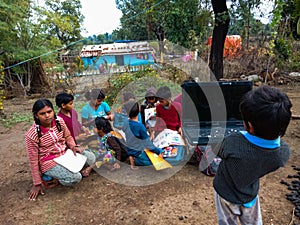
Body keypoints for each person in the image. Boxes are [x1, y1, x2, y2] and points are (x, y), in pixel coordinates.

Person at [213, 85, 292, 225]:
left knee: (226, 221)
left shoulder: (233, 142)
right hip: (250, 195)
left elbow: (218, 150)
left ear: (249, 125)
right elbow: (273, 144)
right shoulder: (282, 154)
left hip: (225, 192)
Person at [25, 99, 96, 201]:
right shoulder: (32, 134)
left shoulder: (59, 121)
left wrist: (73, 147)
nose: (47, 116)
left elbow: (68, 136)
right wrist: (37, 183)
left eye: (49, 112)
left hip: (65, 154)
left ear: (53, 111)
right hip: (49, 161)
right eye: (42, 113)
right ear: (36, 115)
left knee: (91, 158)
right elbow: (33, 160)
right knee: (75, 178)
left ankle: (65, 171)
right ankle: (51, 176)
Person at [122, 100, 163, 170]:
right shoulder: (140, 126)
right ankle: (137, 161)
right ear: (139, 111)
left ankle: (132, 159)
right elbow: (148, 145)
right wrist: (158, 151)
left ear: (126, 113)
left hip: (130, 151)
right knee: (160, 152)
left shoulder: (125, 123)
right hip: (139, 153)